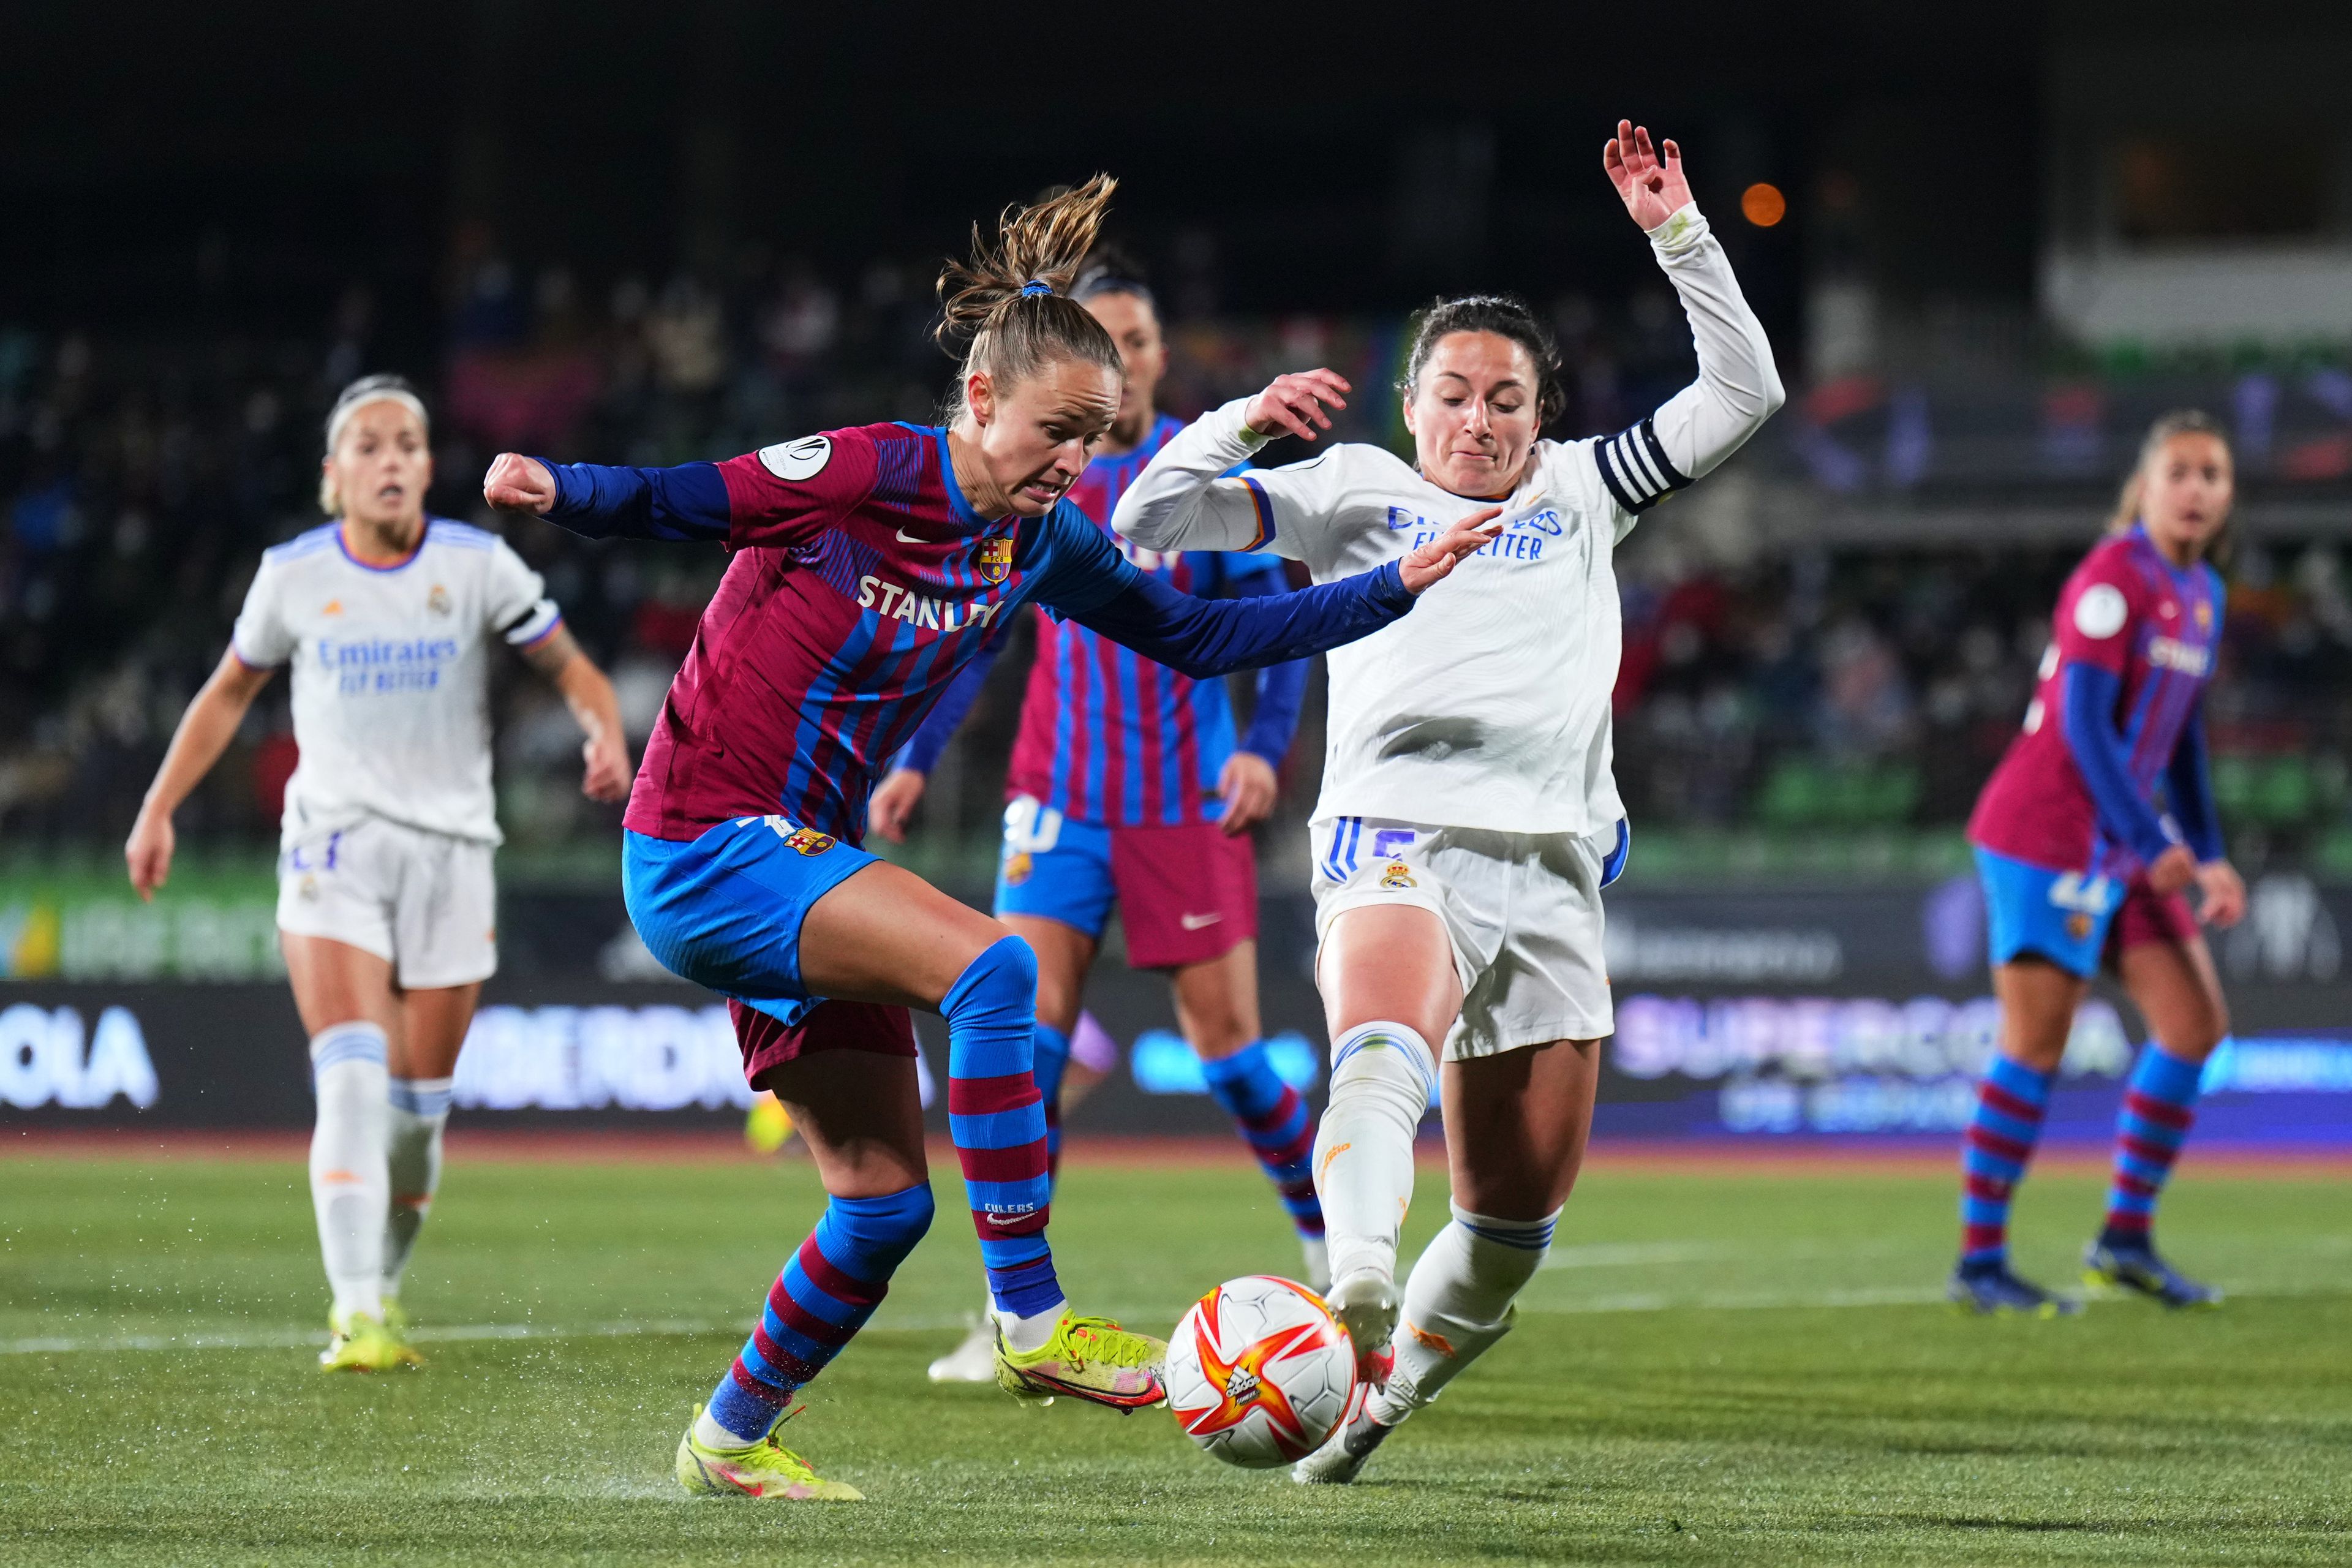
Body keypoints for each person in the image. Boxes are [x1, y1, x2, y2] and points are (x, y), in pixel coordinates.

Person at [481, 175, 1496, 1501]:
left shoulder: (1038, 542)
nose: (1077, 462)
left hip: (795, 862)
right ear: (977, 402)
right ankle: (1032, 1317)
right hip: (703, 842)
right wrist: (556, 483)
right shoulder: (868, 470)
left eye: (1098, 436)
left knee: (883, 1205)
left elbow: (1194, 635)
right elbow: (687, 496)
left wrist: (1384, 591)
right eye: (1058, 431)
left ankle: (727, 1438)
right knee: (997, 970)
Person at [1114, 124, 1784, 1483]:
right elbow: (1148, 521)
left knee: (1512, 1226)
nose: (1479, 421)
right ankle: (1352, 1272)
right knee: (1381, 1041)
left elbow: (1747, 389)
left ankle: (1370, 1404)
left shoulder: (1589, 489)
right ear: (1409, 401)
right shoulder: (1356, 489)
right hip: (1396, 836)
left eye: (1508, 400)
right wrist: (1242, 418)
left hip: (1551, 873)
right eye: (1456, 394)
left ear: (1543, 414)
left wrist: (1680, 234)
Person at [869, 247, 1327, 1385]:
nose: (1119, 361)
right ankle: (1014, 1313)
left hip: (1182, 807)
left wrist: (1266, 753)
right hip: (1056, 804)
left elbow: (1284, 629)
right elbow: (975, 629)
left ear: (1160, 362)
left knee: (1227, 1050)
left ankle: (1336, 1246)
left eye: (1136, 343)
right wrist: (919, 754)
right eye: (1101, 342)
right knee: (1022, 1043)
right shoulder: (1033, 483)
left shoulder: (1199, 485)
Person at [126, 375, 631, 1372]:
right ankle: (357, 1311)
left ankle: (383, 1285)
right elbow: (228, 695)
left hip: (453, 855)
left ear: (428, 465)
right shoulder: (293, 575)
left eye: (408, 442)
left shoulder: (476, 564)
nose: (392, 458)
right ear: (335, 476)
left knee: (416, 1119)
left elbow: (572, 668)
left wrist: (604, 730)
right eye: (369, 445)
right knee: (352, 1080)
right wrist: (157, 806)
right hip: (335, 844)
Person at [1953, 411, 2245, 1316]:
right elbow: (2083, 729)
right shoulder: (2112, 580)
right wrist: (2157, 844)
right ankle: (1981, 1262)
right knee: (2035, 1047)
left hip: (2124, 844)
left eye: (2213, 475)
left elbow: (2183, 738)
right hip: (2048, 834)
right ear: (2146, 487)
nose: (2197, 489)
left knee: (2194, 1027)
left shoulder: (2203, 593)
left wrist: (2211, 853)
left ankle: (2122, 1240)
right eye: (2181, 473)